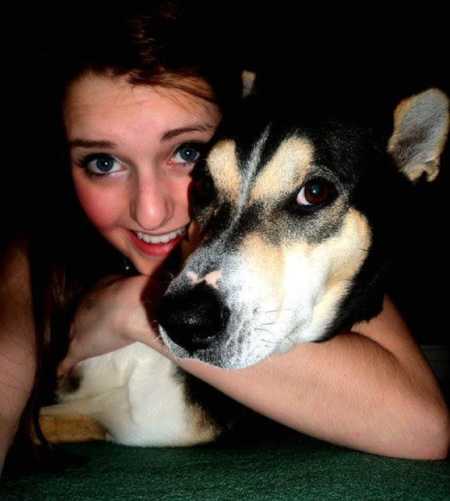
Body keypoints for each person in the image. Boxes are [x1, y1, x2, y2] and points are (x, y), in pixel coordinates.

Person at [1, 6, 448, 472]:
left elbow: (423, 426)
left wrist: (133, 308)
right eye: (102, 162)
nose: (150, 212)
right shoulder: (33, 258)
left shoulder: (332, 270)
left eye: (189, 153)